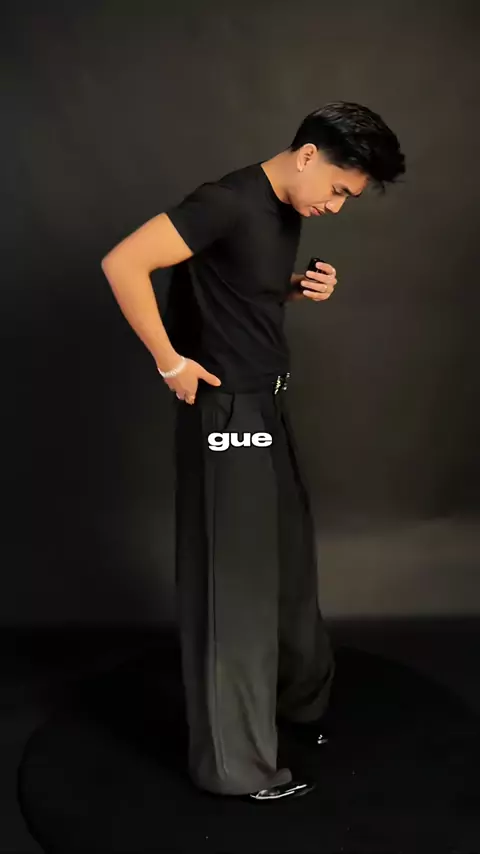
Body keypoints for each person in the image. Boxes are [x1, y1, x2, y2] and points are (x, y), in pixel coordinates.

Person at [101, 101, 406, 801]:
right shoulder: (227, 200)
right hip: (225, 410)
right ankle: (234, 769)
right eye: (337, 190)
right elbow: (123, 263)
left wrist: (294, 289)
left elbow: (233, 287)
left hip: (268, 401)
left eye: (348, 199)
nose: (335, 206)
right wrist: (170, 362)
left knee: (289, 568)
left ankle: (299, 707)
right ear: (308, 155)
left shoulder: (285, 205)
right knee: (232, 587)